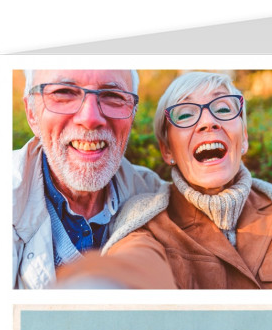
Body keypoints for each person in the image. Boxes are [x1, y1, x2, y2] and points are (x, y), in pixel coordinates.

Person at [56, 71, 272, 289]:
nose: (208, 122)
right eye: (185, 114)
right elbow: (134, 264)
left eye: (223, 109)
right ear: (167, 150)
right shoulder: (146, 222)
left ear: (243, 137)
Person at [13, 69, 166, 289]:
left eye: (113, 96)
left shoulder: (155, 197)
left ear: (132, 114)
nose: (90, 118)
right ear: (32, 113)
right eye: (64, 92)